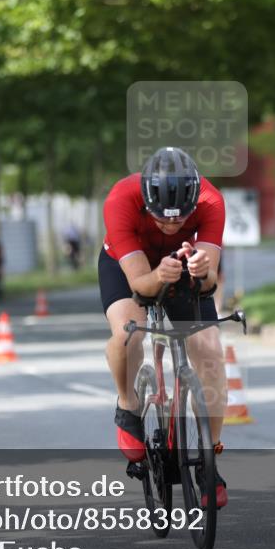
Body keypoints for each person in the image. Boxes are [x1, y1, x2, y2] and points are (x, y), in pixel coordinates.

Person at [100, 147, 228, 507]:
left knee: (210, 351)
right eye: (161, 218)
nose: (171, 226)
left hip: (184, 265)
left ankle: (208, 458)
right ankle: (128, 403)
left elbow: (209, 283)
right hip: (130, 267)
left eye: (179, 219)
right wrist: (157, 275)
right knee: (128, 333)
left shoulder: (211, 201)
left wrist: (203, 271)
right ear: (146, 199)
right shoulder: (120, 199)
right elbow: (141, 284)